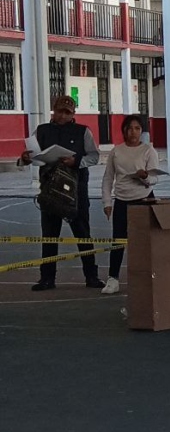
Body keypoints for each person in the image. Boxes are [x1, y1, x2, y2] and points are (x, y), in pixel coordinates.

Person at [17, 96, 104, 291]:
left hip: (76, 191)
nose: (63, 116)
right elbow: (32, 156)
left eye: (67, 112)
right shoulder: (41, 131)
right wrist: (25, 158)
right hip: (49, 190)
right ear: (53, 111)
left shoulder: (83, 132)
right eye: (59, 111)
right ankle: (47, 278)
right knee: (49, 235)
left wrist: (76, 161)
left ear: (73, 114)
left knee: (83, 234)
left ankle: (91, 276)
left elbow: (94, 156)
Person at [100, 115, 159, 295]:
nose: (133, 132)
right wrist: (107, 202)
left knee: (145, 241)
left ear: (141, 131)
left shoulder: (149, 151)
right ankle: (113, 279)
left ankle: (148, 276)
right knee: (118, 240)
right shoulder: (116, 151)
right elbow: (108, 178)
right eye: (129, 128)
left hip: (144, 198)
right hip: (122, 200)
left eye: (137, 128)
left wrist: (145, 177)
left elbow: (154, 178)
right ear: (124, 130)